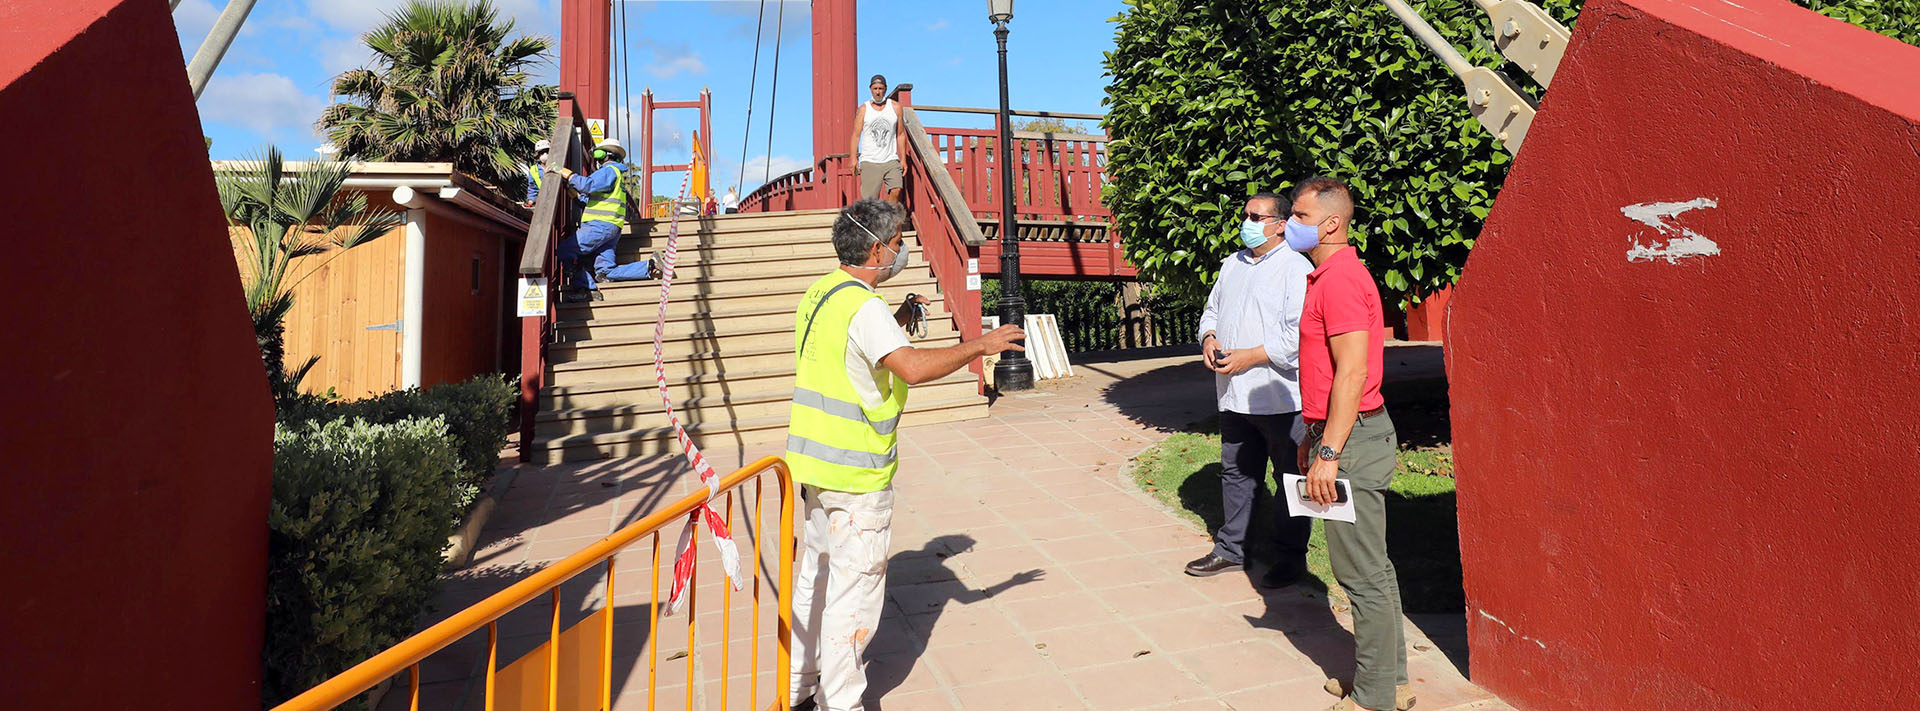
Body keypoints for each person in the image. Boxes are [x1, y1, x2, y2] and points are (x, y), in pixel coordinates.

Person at [786, 199, 1027, 711]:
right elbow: (913, 369)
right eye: (897, 243)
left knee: (815, 580)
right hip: (855, 475)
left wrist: (895, 321)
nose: (900, 253)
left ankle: (801, 689)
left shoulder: (821, 292)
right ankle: (841, 702)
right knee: (853, 599)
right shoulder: (865, 308)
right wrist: (980, 345)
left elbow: (845, 354)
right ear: (875, 247)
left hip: (812, 469)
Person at [1287, 177, 1412, 711]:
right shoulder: (1330, 275)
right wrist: (1312, 436)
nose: (1287, 224)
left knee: (1360, 573)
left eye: (1298, 214)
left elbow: (1352, 372)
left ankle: (1375, 697)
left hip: (1353, 441)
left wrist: (1329, 453)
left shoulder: (1338, 280)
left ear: (1331, 223)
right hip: (1343, 433)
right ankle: (1390, 680)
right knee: (1372, 569)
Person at [1185, 193, 1315, 585]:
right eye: (1246, 215)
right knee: (1236, 474)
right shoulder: (1232, 264)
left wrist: (1252, 356)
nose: (1248, 222)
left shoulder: (1295, 268)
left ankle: (1291, 558)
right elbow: (1212, 311)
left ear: (1280, 224)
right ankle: (1231, 549)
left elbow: (1298, 336)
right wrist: (1208, 337)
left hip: (1279, 396)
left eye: (1257, 217)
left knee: (1290, 479)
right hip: (1233, 395)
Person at [548, 138, 629, 302]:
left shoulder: (609, 170)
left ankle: (587, 289)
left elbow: (588, 185)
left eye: (597, 154)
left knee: (565, 250)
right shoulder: (616, 174)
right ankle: (648, 267)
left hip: (600, 226)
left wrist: (567, 173)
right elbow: (597, 200)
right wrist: (576, 197)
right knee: (605, 270)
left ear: (604, 154)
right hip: (612, 226)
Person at [849, 74, 907, 203]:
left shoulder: (896, 107)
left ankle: (888, 219)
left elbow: (901, 134)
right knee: (870, 201)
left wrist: (903, 159)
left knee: (896, 189)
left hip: (891, 159)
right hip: (870, 160)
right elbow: (856, 134)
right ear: (870, 89)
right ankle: (875, 221)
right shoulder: (864, 109)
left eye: (880, 88)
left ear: (885, 89)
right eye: (875, 88)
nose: (878, 92)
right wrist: (853, 158)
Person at [524, 139, 550, 208]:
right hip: (544, 203)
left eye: (547, 152)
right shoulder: (533, 170)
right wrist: (530, 203)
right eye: (542, 152)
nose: (545, 154)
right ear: (538, 155)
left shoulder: (557, 166)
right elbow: (533, 189)